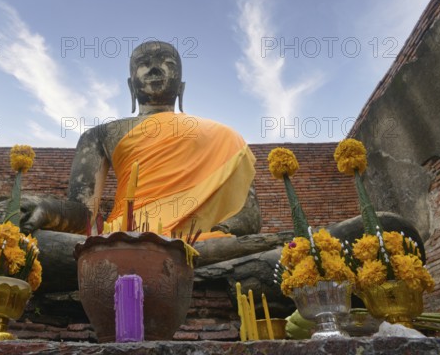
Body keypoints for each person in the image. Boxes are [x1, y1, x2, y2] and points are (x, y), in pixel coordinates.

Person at [22, 41, 261, 240]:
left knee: (281, 256)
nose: (155, 69)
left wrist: (217, 236)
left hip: (203, 245)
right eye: (144, 64)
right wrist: (44, 208)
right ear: (130, 86)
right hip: (122, 239)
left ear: (182, 87)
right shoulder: (100, 135)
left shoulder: (224, 136)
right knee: (31, 243)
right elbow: (84, 214)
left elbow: (249, 217)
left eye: (167, 64)